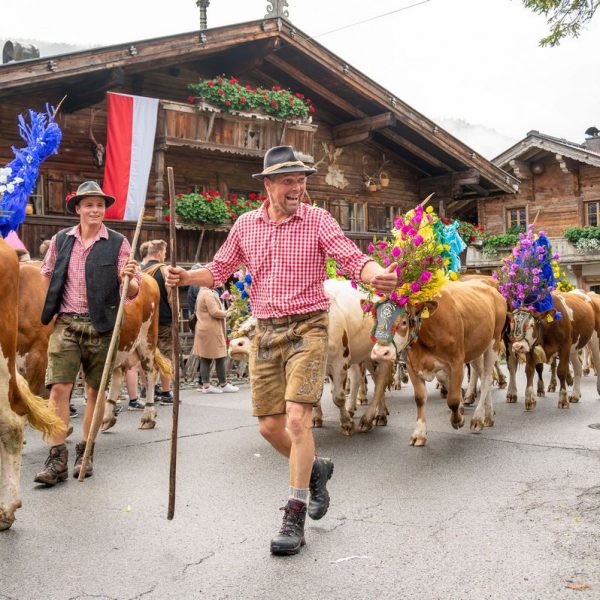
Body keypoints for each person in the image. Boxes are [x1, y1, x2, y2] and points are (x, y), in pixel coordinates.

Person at [166, 145, 399, 555]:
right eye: (288, 180)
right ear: (268, 185)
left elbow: (350, 258)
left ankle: (294, 514)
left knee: (296, 421)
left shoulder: (317, 220)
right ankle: (316, 471)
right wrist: (187, 275)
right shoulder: (245, 226)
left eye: (301, 180)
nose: (297, 188)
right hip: (265, 332)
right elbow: (218, 271)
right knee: (269, 427)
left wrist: (376, 273)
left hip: (308, 328)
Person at [34, 180, 140, 485]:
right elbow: (45, 274)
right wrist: (47, 308)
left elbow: (131, 291)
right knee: (58, 390)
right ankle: (57, 458)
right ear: (78, 208)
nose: (95, 209)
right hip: (66, 323)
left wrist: (128, 278)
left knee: (94, 390)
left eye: (100, 205)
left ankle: (86, 451)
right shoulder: (60, 240)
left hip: (102, 325)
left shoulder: (119, 242)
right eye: (89, 204)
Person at [140, 239, 174, 405]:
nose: (165, 256)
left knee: (145, 355)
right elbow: (171, 296)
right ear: (160, 253)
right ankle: (166, 392)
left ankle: (146, 389)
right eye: (165, 253)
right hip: (163, 319)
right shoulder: (164, 270)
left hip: (144, 320)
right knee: (165, 355)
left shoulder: (140, 271)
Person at [193, 285, 239, 393]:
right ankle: (223, 384)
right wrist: (228, 313)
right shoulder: (208, 294)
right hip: (211, 330)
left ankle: (206, 385)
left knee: (205, 358)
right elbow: (214, 312)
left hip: (204, 328)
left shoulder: (203, 292)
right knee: (220, 357)